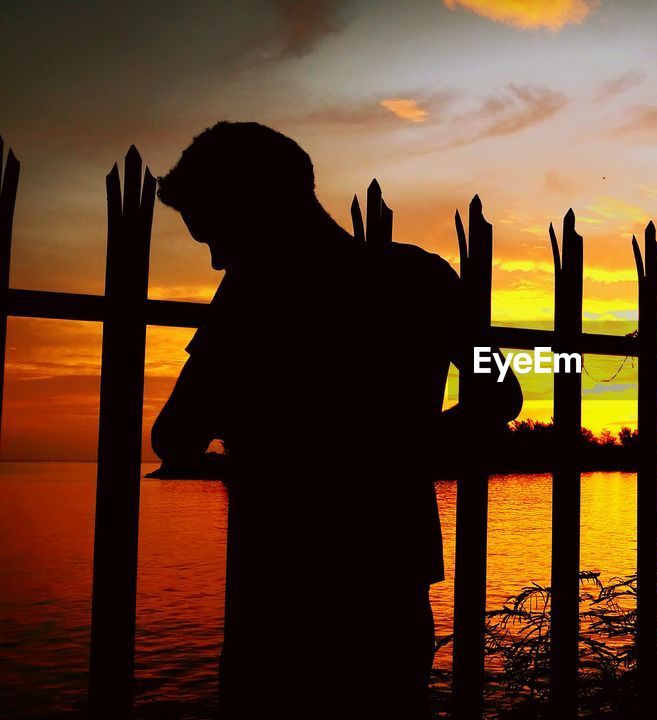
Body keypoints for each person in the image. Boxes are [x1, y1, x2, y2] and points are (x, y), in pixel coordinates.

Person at [151, 121, 521, 717]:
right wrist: (405, 449)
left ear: (259, 206)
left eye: (217, 235)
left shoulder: (250, 296)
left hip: (279, 582)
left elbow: (175, 433)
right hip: (390, 567)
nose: (218, 259)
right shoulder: (424, 279)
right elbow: (499, 392)